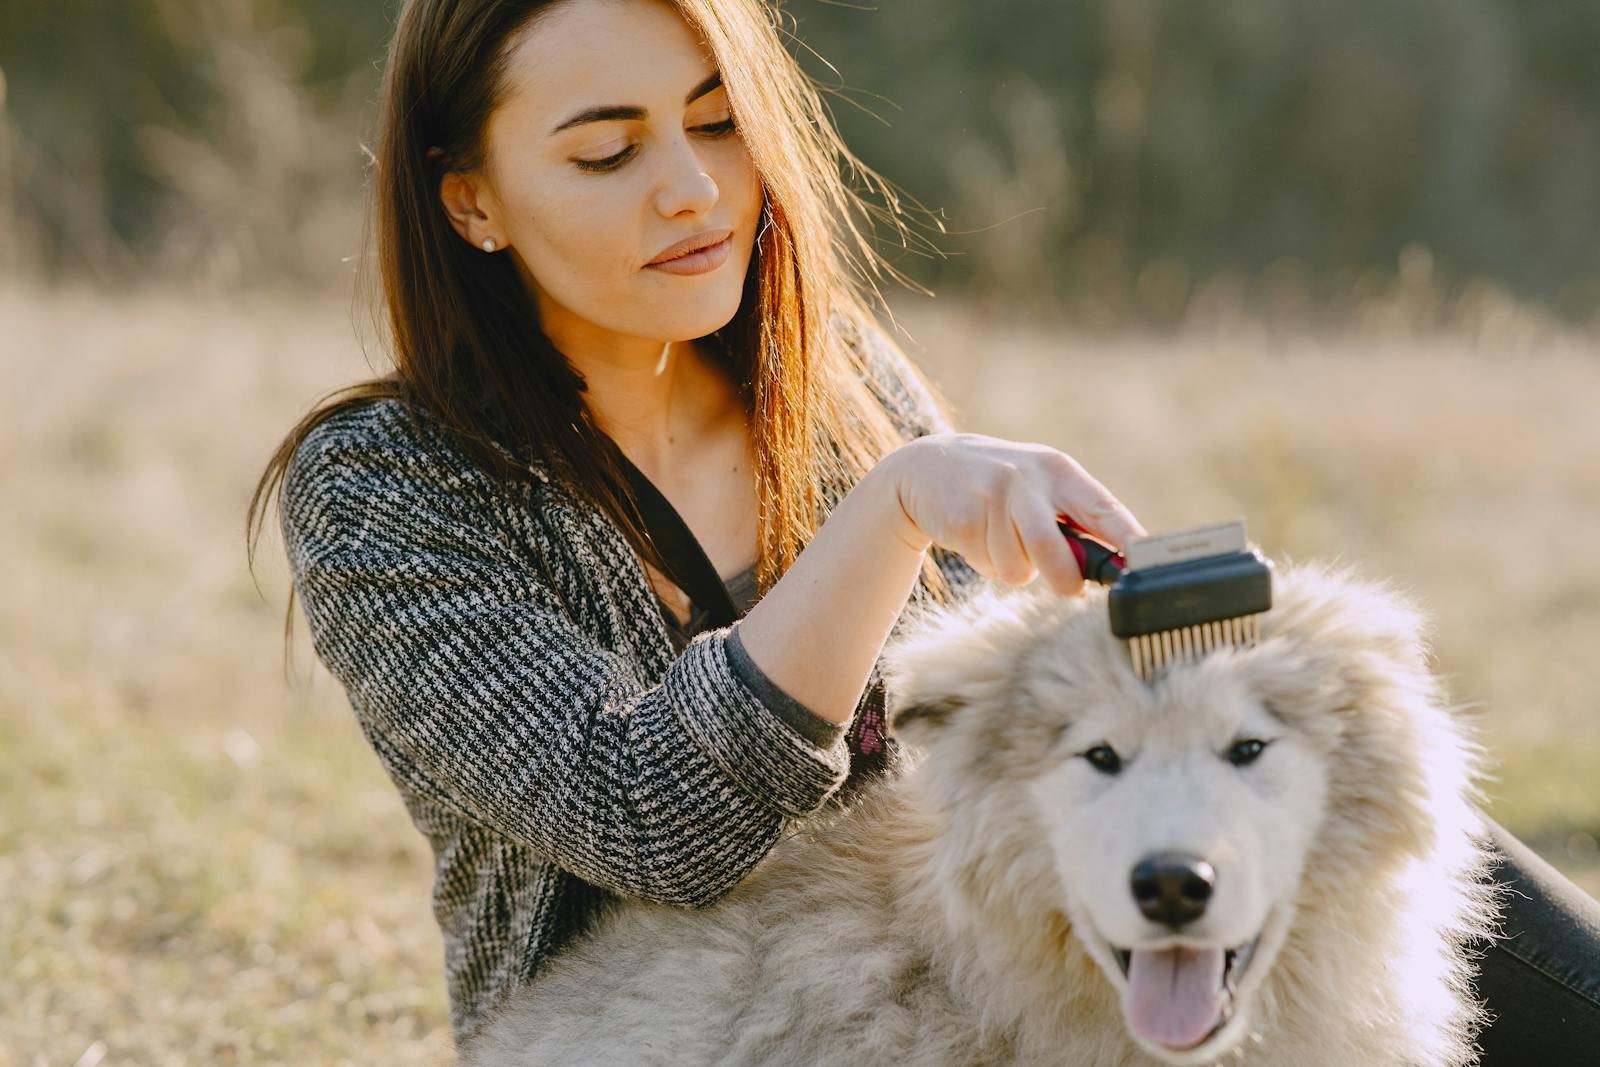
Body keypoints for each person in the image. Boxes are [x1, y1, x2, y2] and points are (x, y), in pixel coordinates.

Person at [246, 0, 1600, 1059]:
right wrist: (893, 509)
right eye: (607, 150)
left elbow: (1000, 734)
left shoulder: (828, 380)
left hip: (977, 946)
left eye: (719, 124)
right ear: (469, 198)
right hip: (687, 1023)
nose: (694, 192)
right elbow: (647, 818)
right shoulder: (388, 485)